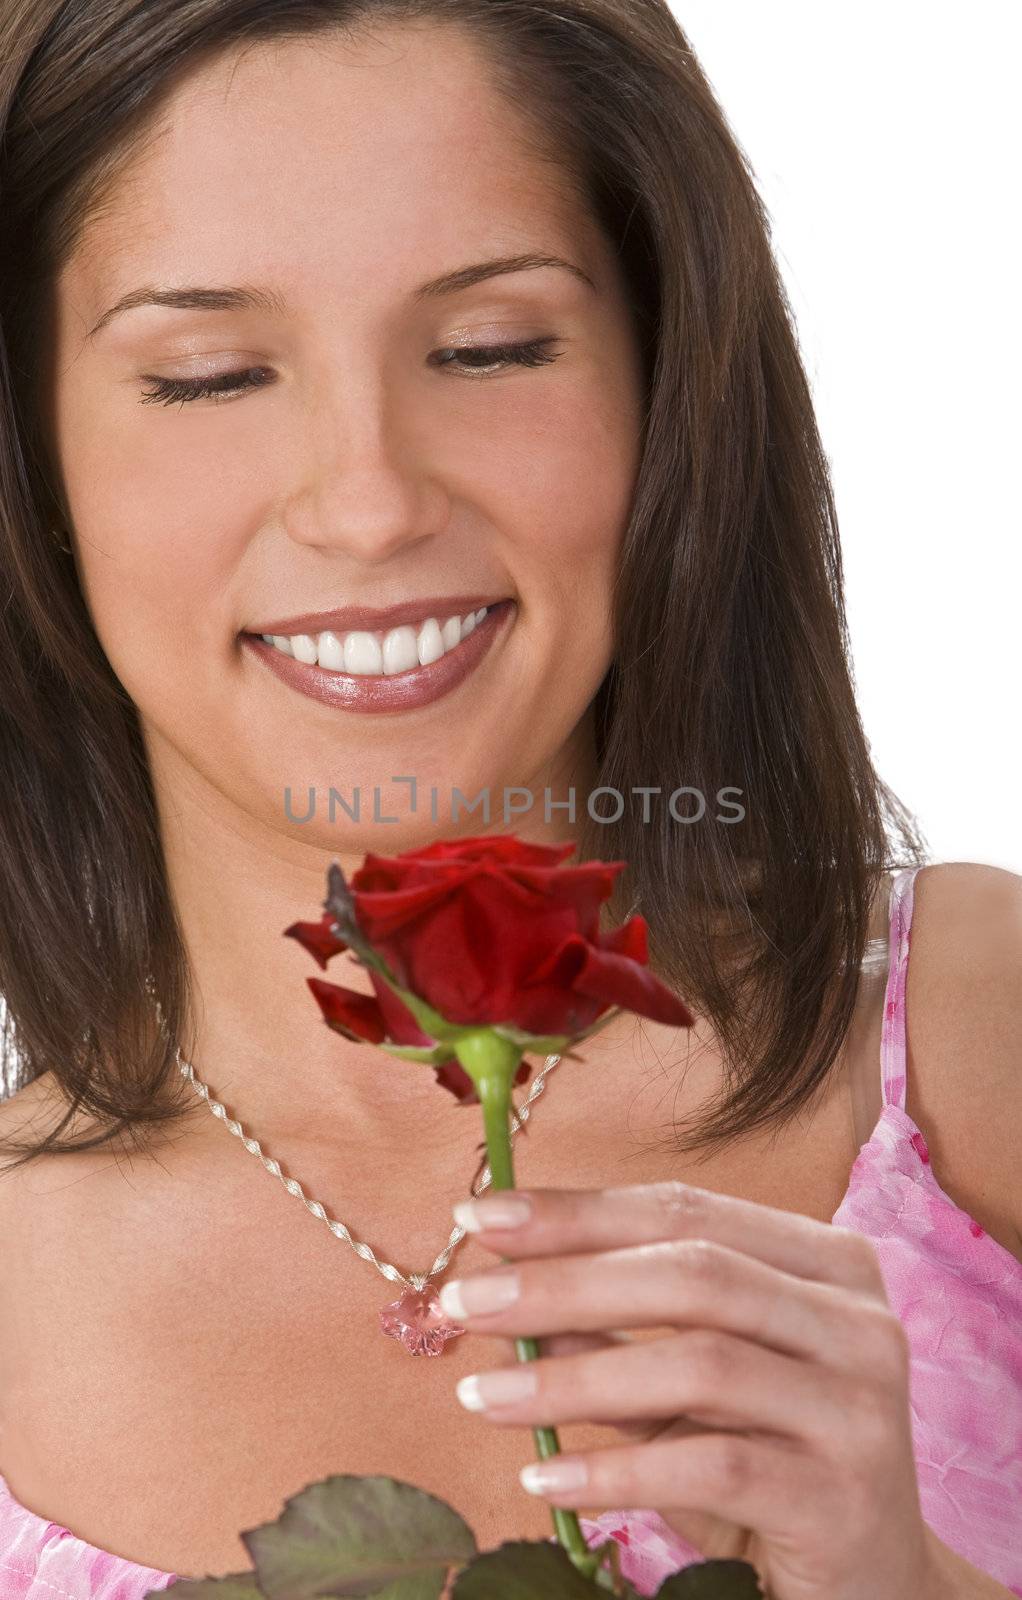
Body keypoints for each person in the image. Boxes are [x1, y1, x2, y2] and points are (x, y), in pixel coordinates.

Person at [0, 2, 1019, 1596]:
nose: (369, 502)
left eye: (490, 348)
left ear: (667, 388)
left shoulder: (971, 1026)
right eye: (205, 375)